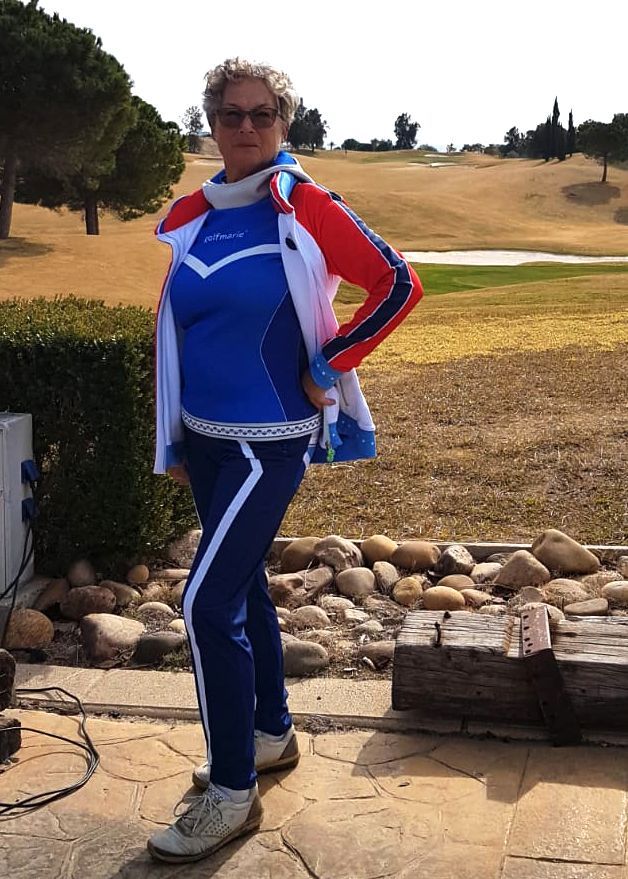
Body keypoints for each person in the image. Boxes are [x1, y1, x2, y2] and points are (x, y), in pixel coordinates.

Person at [147, 58, 423, 864]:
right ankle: (269, 733)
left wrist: (328, 362)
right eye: (230, 114)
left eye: (261, 114)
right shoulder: (200, 214)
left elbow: (397, 284)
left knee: (204, 603)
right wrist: (174, 437)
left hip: (267, 442)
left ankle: (231, 792)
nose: (246, 127)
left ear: (283, 123)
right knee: (238, 591)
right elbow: (184, 330)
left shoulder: (303, 204)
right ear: (211, 124)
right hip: (204, 438)